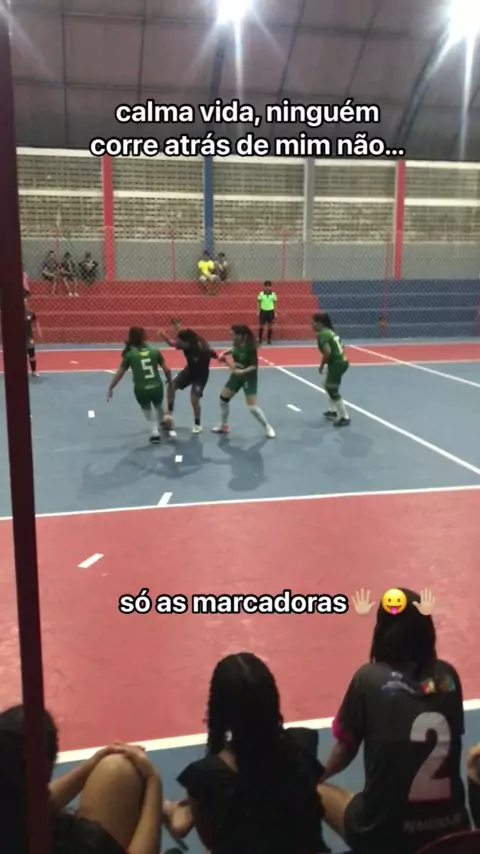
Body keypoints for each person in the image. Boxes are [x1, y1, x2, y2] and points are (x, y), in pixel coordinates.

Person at [318, 588, 470, 854]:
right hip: (450, 833)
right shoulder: (449, 677)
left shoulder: (368, 679)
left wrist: (315, 775)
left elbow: (344, 751)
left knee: (315, 790)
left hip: (384, 835)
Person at [163, 652, 330, 854]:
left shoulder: (204, 776)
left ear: (220, 711)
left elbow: (211, 843)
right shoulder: (304, 743)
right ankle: (181, 811)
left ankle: (181, 812)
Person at [0, 704, 163, 854]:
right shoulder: (76, 842)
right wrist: (153, 781)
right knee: (119, 770)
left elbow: (23, 799)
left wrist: (89, 766)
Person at [107, 327, 174, 443]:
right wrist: (169, 380)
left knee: (148, 413)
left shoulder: (130, 355)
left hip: (141, 389)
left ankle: (155, 432)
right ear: (144, 337)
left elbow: (120, 373)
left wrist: (111, 387)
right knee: (158, 406)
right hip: (157, 387)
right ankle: (164, 419)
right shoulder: (155, 351)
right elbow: (167, 370)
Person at [213, 324, 275, 438]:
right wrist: (224, 353)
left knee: (252, 407)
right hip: (236, 377)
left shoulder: (250, 348)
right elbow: (234, 350)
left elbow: (254, 366)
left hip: (248, 378)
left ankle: (267, 427)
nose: (231, 337)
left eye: (233, 335)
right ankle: (224, 425)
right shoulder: (235, 344)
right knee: (223, 400)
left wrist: (243, 371)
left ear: (241, 335)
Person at [159, 327, 217, 434]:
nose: (177, 343)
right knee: (171, 386)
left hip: (200, 376)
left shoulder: (202, 348)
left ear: (187, 342)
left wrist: (223, 358)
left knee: (194, 399)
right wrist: (163, 335)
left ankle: (197, 424)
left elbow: (215, 355)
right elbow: (172, 344)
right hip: (189, 372)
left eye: (179, 341)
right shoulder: (184, 346)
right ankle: (169, 414)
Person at [312, 312, 350, 427]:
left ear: (319, 323)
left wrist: (322, 365)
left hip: (337, 364)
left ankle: (345, 417)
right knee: (325, 383)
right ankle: (333, 410)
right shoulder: (330, 332)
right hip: (340, 361)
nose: (312, 326)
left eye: (313, 323)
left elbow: (327, 352)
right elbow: (342, 345)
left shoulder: (322, 334)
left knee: (332, 389)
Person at [25, 290, 42, 377]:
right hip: (17, 337)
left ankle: (34, 371)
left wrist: (39, 332)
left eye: (26, 299)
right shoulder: (15, 312)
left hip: (28, 337)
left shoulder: (30, 312)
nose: (25, 301)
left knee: (31, 353)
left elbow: (36, 321)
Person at [258, 281, 277, 345]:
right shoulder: (261, 294)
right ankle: (260, 339)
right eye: (266, 286)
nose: (267, 288)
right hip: (263, 311)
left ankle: (269, 339)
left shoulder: (273, 294)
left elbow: (275, 304)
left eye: (269, 286)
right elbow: (259, 302)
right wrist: (258, 310)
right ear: (264, 287)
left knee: (270, 326)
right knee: (261, 325)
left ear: (271, 287)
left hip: (270, 311)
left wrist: (275, 312)